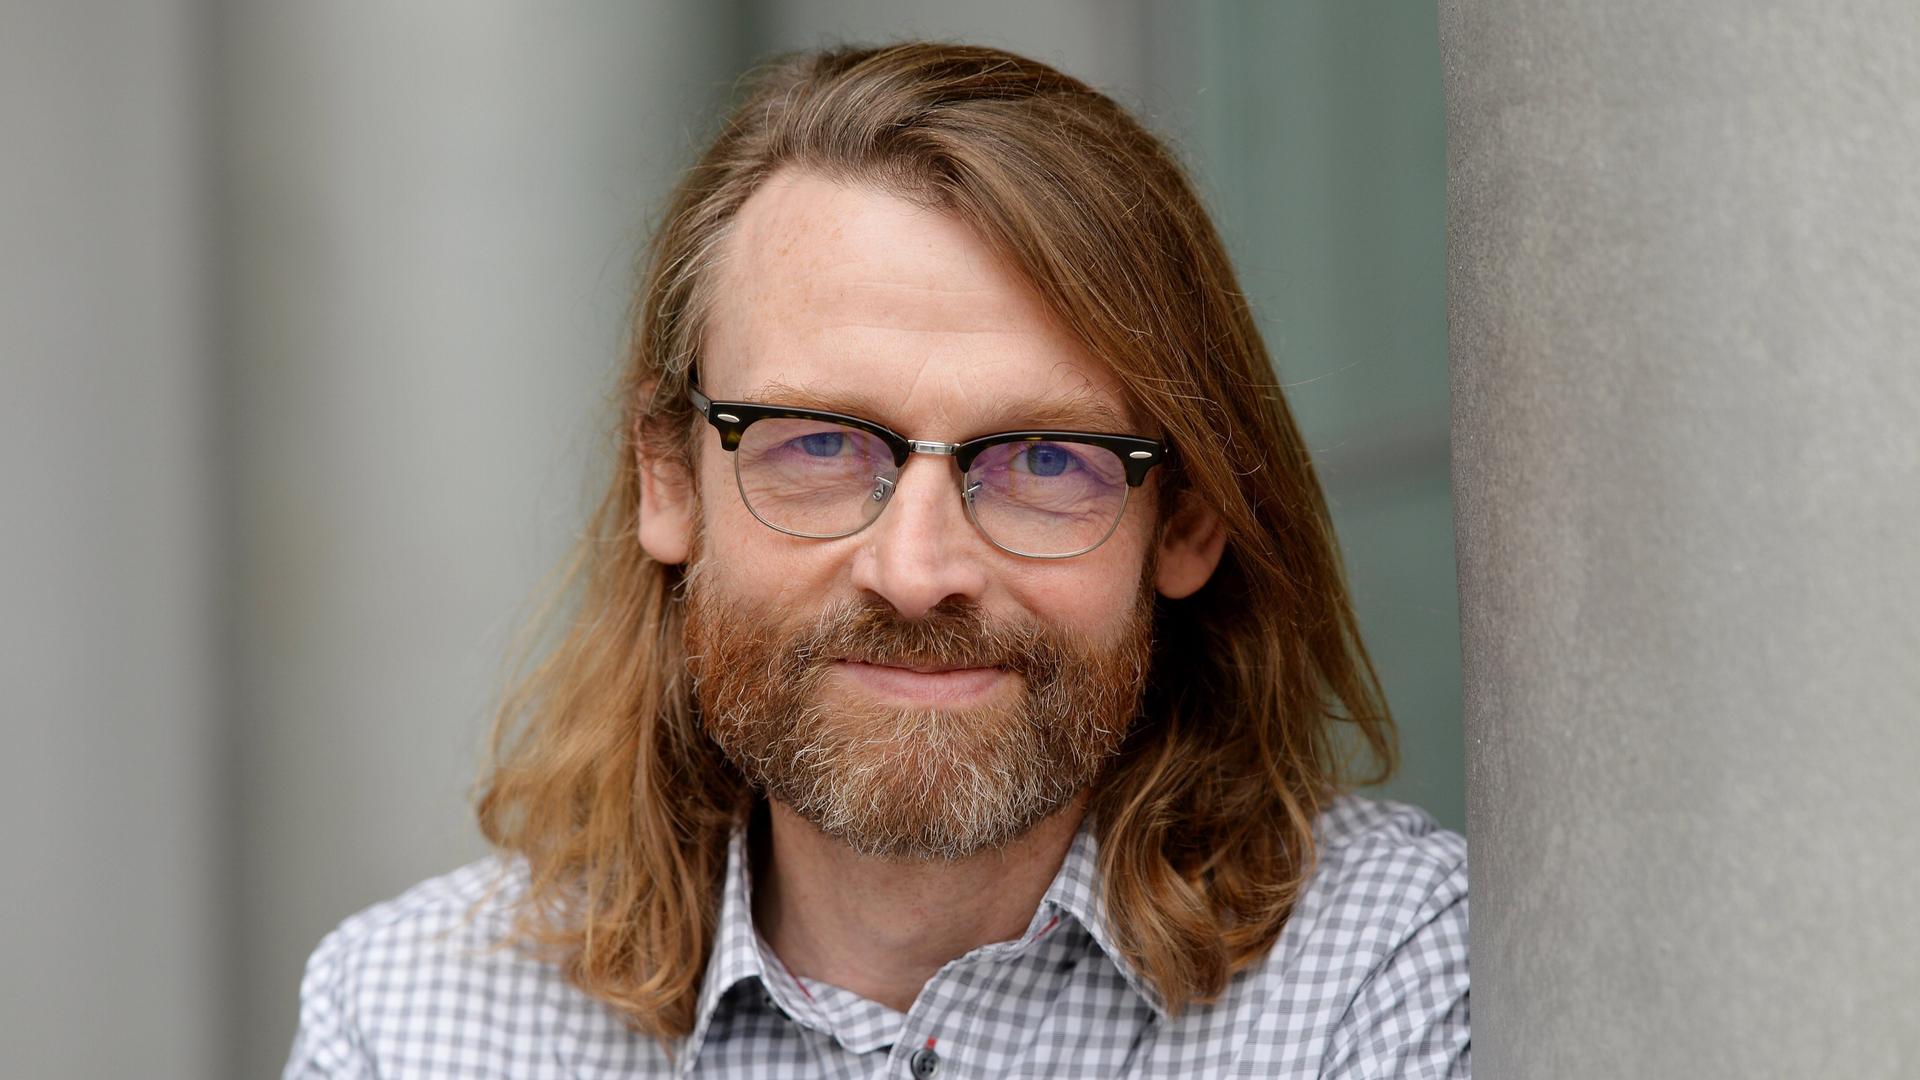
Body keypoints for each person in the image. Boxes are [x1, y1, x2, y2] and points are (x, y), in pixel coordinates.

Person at [285, 41, 1467, 1079]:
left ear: (1190, 519)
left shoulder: (1394, 974)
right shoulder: (415, 1022)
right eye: (820, 445)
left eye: (1047, 460)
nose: (916, 570)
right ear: (667, 479)